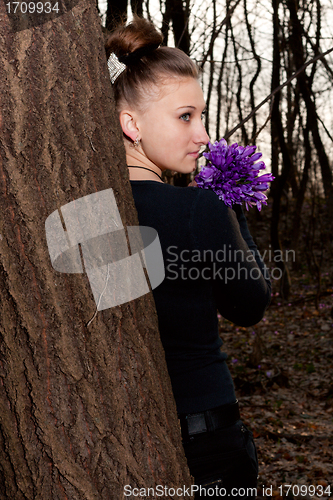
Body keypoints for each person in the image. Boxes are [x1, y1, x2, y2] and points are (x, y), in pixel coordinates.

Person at [105, 17, 271, 499]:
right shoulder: (200, 208)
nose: (202, 135)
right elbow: (251, 304)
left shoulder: (94, 214)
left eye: (201, 116)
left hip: (128, 430)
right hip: (209, 439)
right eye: (185, 116)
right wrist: (232, 207)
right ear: (131, 124)